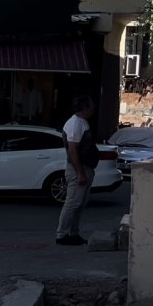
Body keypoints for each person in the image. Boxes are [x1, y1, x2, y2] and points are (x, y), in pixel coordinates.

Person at [56, 96, 99, 246]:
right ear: (84, 108)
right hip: (78, 168)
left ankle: (72, 232)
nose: (93, 109)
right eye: (90, 106)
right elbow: (72, 150)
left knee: (79, 203)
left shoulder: (82, 122)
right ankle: (62, 234)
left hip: (85, 167)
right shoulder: (75, 124)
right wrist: (80, 173)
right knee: (73, 202)